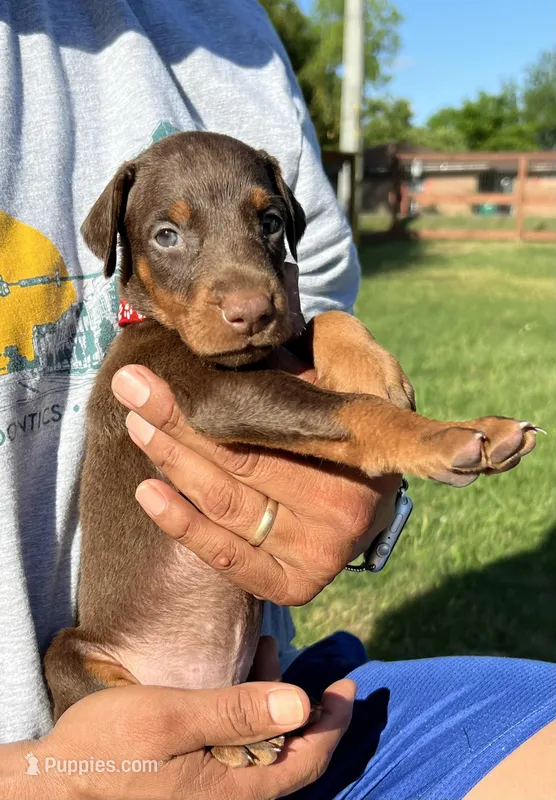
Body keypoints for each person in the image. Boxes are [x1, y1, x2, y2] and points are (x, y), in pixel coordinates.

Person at [0, 1, 554, 798]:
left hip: (265, 708)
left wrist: (336, 336)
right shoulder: (152, 353)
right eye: (171, 236)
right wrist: (61, 777)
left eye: (263, 230)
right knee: (71, 660)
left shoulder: (231, 26)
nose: (246, 291)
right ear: (123, 248)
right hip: (89, 726)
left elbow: (307, 309)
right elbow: (234, 410)